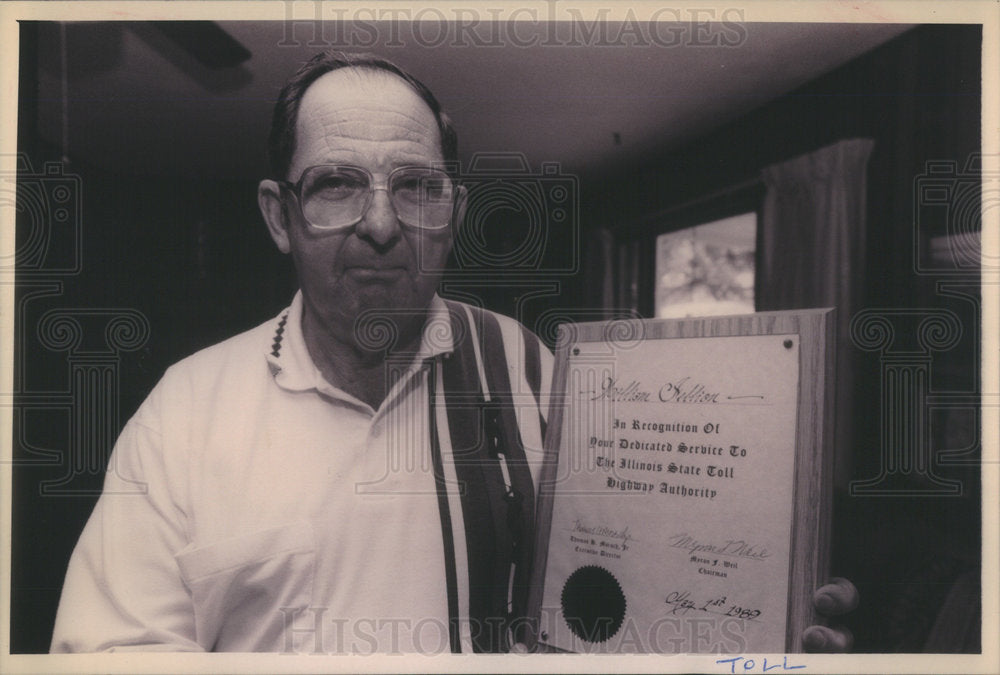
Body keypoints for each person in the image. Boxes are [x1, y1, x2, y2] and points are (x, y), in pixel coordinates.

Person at [50, 51, 856, 654]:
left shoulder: (535, 372)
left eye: (414, 185)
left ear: (453, 210)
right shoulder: (183, 413)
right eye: (337, 183)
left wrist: (758, 621)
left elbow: (631, 598)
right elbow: (109, 654)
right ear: (278, 215)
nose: (379, 224)